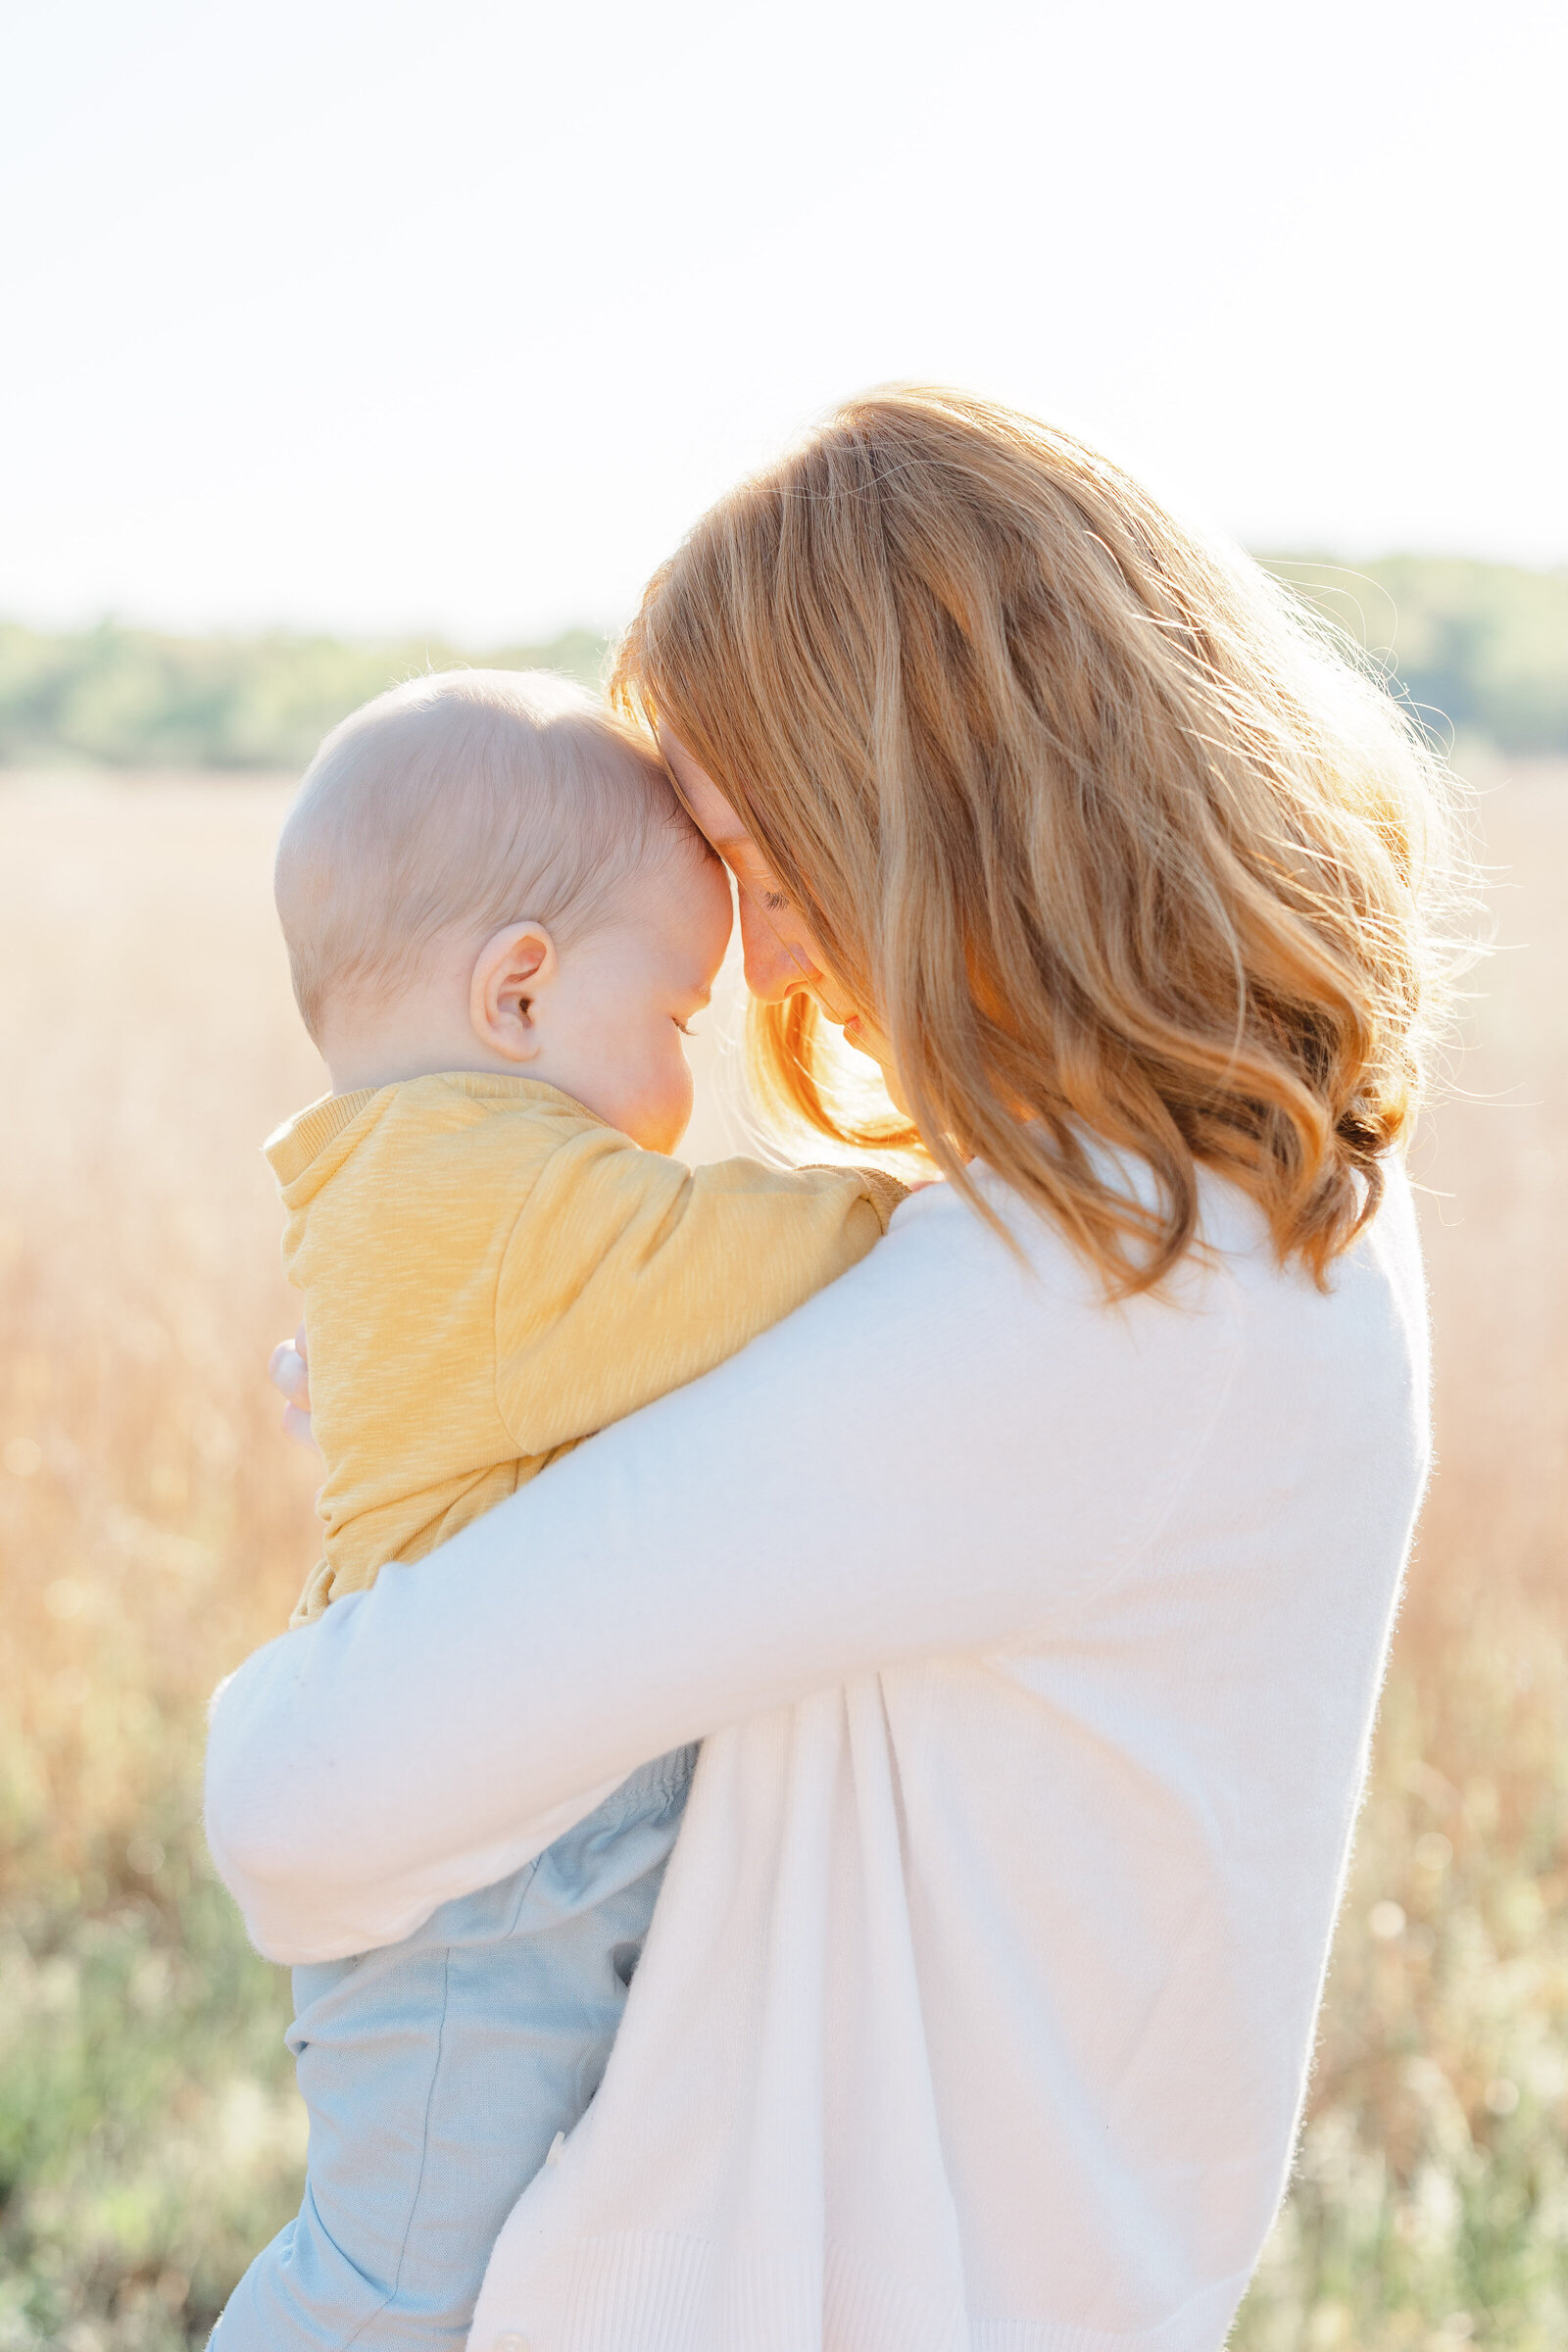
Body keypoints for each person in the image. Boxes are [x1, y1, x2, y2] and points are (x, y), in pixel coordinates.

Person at [207, 388, 1459, 2351]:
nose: (765, 971)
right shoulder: (1264, 1223)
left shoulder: (1081, 1292)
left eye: (745, 859)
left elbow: (301, 1796)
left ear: (912, 786)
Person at [214, 667, 905, 2347]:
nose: (686, 1086)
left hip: (491, 1847)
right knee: (401, 2288)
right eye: (676, 1019)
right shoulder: (505, 1198)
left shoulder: (417, 1181)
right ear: (519, 993)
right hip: (485, 1897)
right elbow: (776, 1262)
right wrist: (967, 1204)